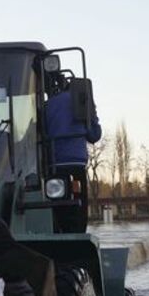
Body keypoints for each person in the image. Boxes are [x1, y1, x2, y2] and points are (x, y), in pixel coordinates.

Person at [44, 75, 102, 232]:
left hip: (54, 163)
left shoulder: (48, 105)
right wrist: (93, 114)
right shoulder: (83, 103)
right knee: (79, 207)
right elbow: (94, 135)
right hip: (76, 163)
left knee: (58, 207)